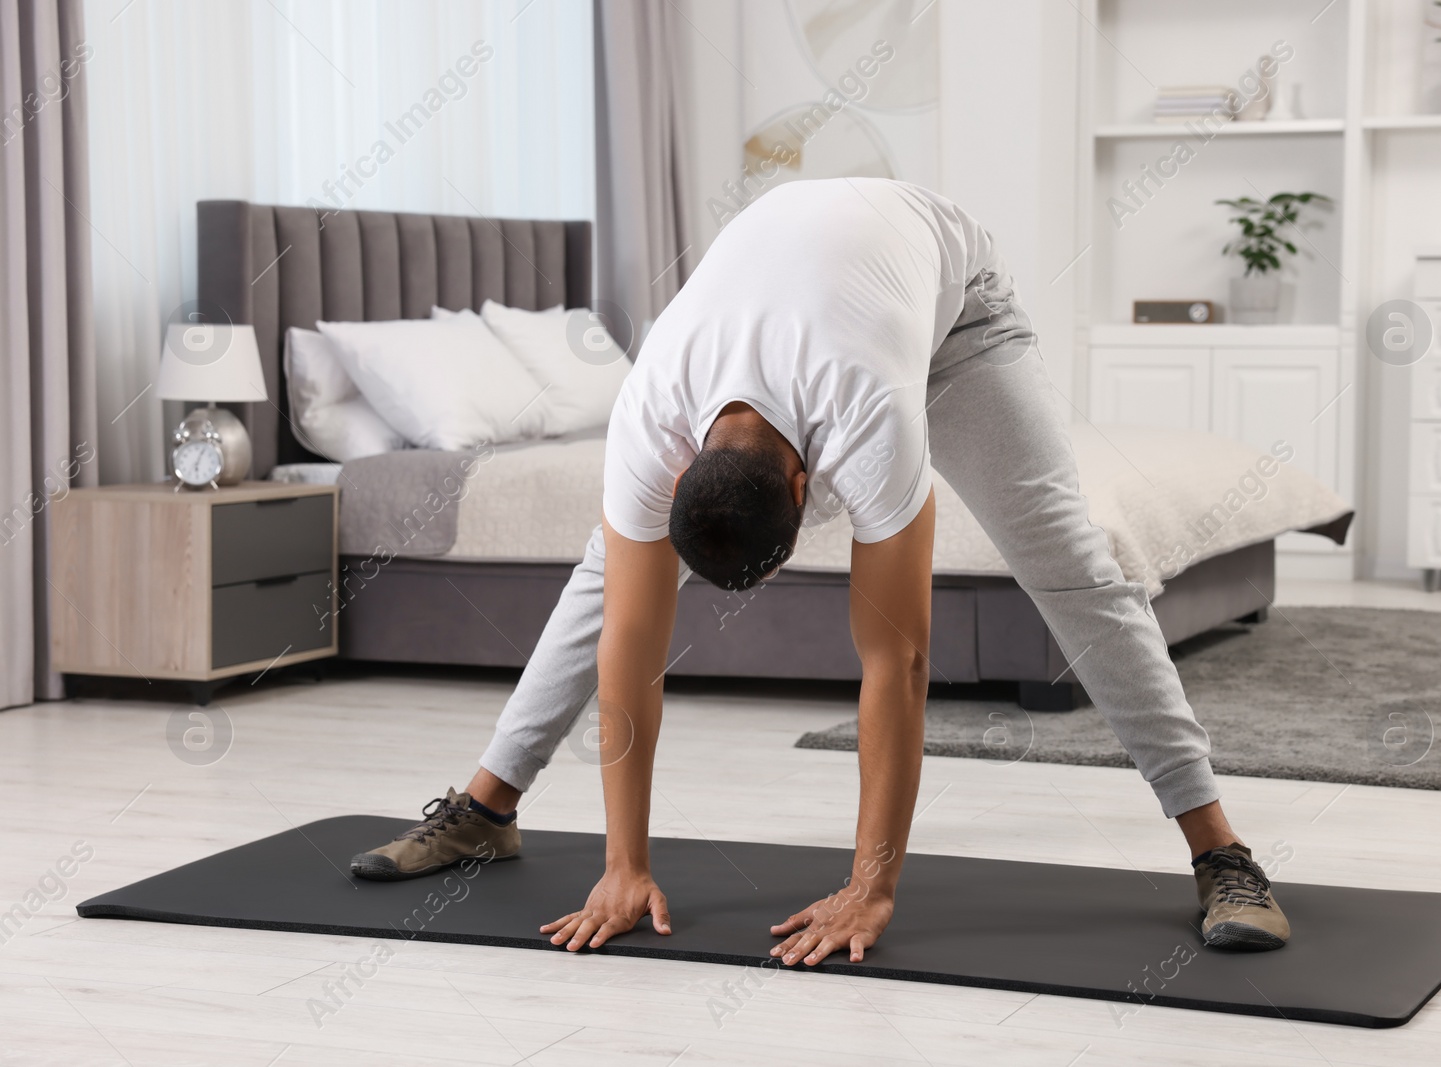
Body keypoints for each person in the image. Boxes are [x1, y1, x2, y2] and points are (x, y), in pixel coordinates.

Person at [349, 178, 1291, 959]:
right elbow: (630, 648)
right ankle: (485, 808)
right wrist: (623, 864)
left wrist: (869, 887)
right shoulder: (649, 419)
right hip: (831, 288)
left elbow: (898, 663)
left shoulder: (866, 418)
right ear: (683, 465)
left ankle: (1221, 851)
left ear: (812, 480)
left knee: (1072, 566)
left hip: (955, 316)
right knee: (609, 580)